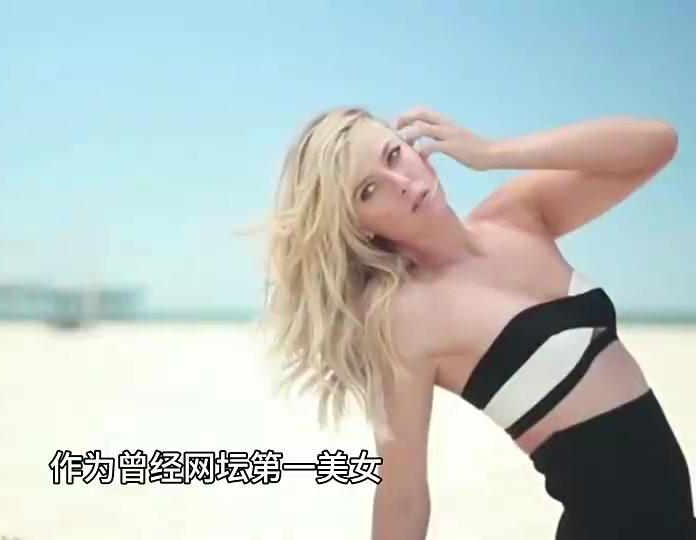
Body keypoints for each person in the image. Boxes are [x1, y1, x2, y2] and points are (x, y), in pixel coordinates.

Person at [260, 106, 689, 539]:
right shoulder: (407, 319)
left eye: (393, 155)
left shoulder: (517, 216)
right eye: (369, 190)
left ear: (415, 148)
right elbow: (403, 497)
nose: (401, 183)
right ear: (359, 226)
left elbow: (656, 144)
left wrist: (493, 153)